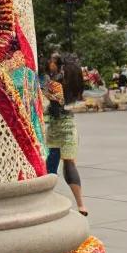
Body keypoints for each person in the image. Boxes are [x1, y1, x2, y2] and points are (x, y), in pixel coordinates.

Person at [44, 55, 88, 215]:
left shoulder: (56, 83)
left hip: (60, 127)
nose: (49, 63)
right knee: (61, 163)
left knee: (58, 163)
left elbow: (52, 99)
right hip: (63, 127)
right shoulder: (65, 82)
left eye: (52, 61)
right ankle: (80, 204)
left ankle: (48, 199)